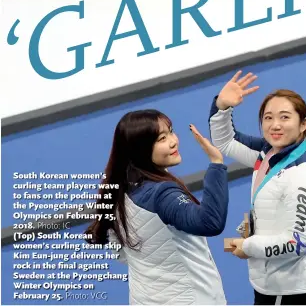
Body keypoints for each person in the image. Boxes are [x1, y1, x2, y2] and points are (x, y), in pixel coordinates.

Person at [85, 109, 229, 305]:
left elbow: (120, 253)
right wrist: (217, 164)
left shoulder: (119, 190)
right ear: (140, 149)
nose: (173, 141)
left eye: (171, 131)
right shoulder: (163, 194)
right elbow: (210, 222)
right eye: (162, 138)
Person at [208, 71, 306, 306]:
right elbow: (225, 141)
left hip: (293, 292)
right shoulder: (268, 153)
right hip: (274, 284)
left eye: (285, 117)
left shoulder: (303, 175)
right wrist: (222, 108)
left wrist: (248, 246)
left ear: (303, 124)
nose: (275, 125)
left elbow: (298, 243)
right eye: (268, 118)